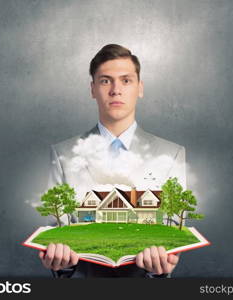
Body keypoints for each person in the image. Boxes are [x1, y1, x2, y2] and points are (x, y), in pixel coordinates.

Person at [39, 44, 186, 278]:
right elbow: (55, 228)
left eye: (126, 80)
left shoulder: (172, 154)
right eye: (106, 81)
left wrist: (161, 271)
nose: (116, 90)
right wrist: (61, 263)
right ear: (92, 89)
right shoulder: (63, 154)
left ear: (140, 88)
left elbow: (173, 230)